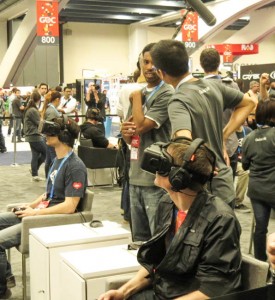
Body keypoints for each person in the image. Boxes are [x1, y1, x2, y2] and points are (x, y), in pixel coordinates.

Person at [99, 138, 242, 300]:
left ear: (178, 177)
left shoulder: (220, 220)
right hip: (163, 291)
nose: (156, 168)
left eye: (163, 163)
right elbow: (156, 263)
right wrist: (123, 292)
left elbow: (214, 288)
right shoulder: (167, 204)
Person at [150, 39, 256, 207]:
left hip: (203, 191)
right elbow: (249, 103)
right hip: (224, 182)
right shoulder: (213, 86)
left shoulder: (178, 101)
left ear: (161, 73)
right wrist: (224, 135)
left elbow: (184, 143)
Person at [0, 116, 87, 299]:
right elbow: (50, 193)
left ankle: (2, 289)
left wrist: (35, 212)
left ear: (62, 136)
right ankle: (6, 276)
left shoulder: (75, 166)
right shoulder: (57, 159)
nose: (46, 136)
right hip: (39, 213)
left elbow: (70, 206)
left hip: (49, 220)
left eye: (50, 133)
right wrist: (30, 206)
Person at [121, 42, 173, 243]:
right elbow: (129, 133)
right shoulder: (139, 94)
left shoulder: (166, 93)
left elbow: (141, 126)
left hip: (155, 179)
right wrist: (125, 133)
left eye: (154, 62)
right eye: (146, 61)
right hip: (135, 175)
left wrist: (135, 99)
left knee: (158, 240)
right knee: (139, 240)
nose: (149, 66)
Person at [242, 98, 275, 261]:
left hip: (256, 191)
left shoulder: (249, 137)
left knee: (260, 228)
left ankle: (260, 264)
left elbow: (245, 165)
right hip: (273, 189)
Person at [200, 48, 239, 179]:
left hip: (205, 146)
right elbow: (243, 108)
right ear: (219, 62)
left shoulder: (197, 87)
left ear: (201, 64)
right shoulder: (231, 85)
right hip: (229, 143)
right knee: (228, 188)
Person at [24, 91, 47, 181]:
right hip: (34, 135)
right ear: (39, 100)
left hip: (31, 135)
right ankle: (34, 170)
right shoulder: (33, 110)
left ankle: (34, 174)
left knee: (35, 154)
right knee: (45, 152)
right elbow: (39, 123)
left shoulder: (30, 109)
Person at [41, 91, 61, 177]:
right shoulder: (52, 111)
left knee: (49, 160)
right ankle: (53, 179)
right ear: (57, 99)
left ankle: (48, 179)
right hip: (52, 138)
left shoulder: (49, 108)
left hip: (48, 138)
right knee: (54, 160)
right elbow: (50, 126)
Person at [234, 124, 252, 212]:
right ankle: (237, 202)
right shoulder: (230, 130)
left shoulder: (248, 131)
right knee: (244, 171)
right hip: (234, 160)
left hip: (247, 159)